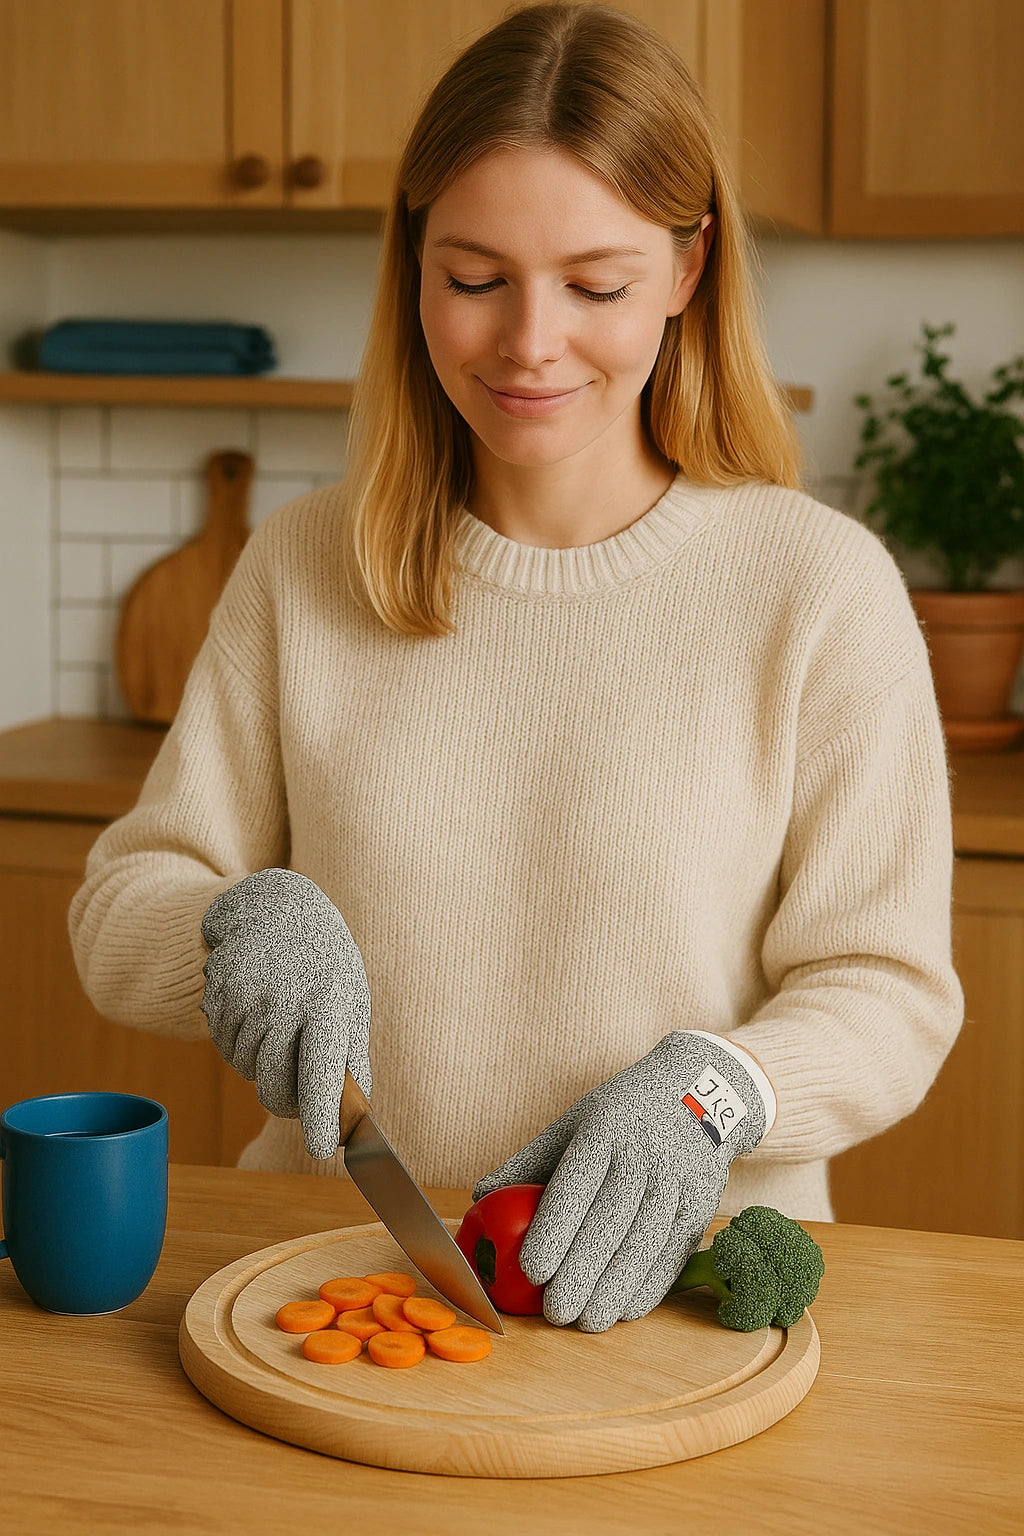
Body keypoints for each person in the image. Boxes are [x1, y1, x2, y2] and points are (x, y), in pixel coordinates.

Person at [69, 3, 963, 1333]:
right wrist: (235, 926)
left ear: (687, 269)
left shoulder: (815, 588)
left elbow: (891, 993)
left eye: (596, 284)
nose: (528, 342)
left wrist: (713, 1090)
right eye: (475, 278)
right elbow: (119, 904)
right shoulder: (301, 566)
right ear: (412, 267)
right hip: (337, 1283)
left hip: (681, 1304)